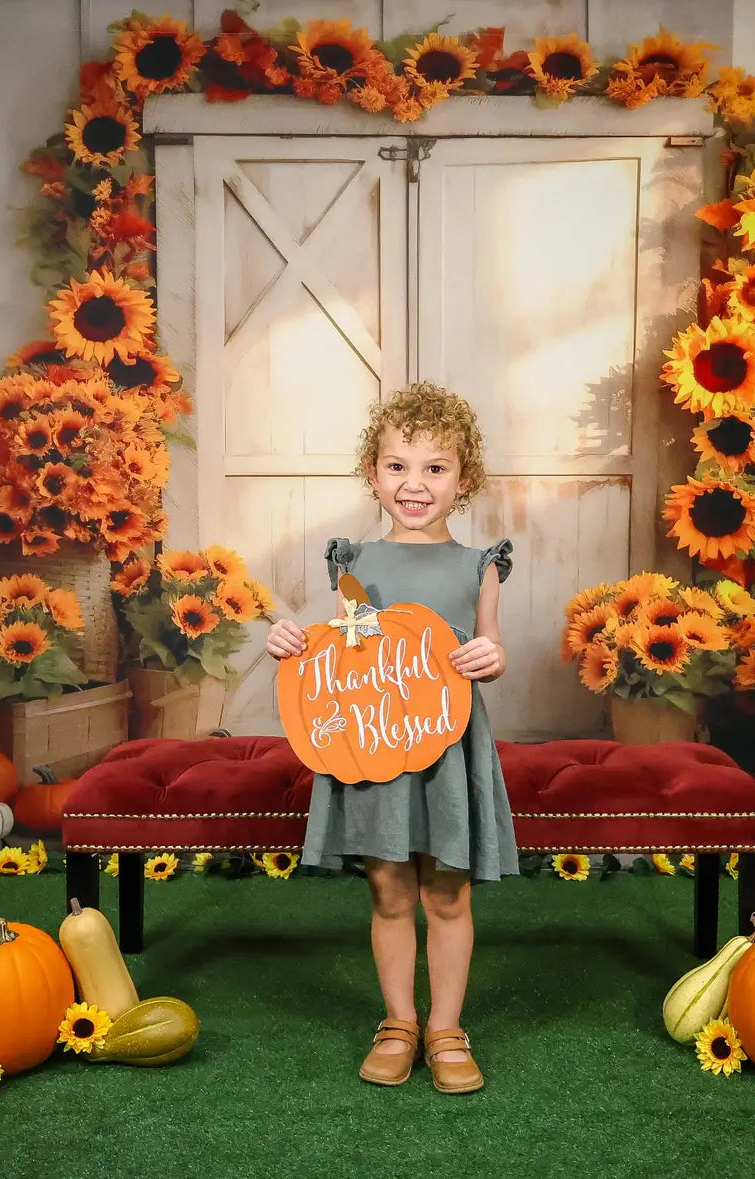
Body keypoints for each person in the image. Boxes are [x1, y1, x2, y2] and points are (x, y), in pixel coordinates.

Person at [266, 381, 519, 1095]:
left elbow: (492, 646)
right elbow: (341, 654)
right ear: (372, 474)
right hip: (375, 745)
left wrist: (490, 656)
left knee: (448, 891)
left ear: (463, 479)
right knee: (388, 889)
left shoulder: (479, 566)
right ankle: (399, 1021)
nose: (415, 484)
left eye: (435, 468)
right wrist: (292, 644)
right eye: (397, 466)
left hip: (448, 749)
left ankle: (446, 1027)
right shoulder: (355, 563)